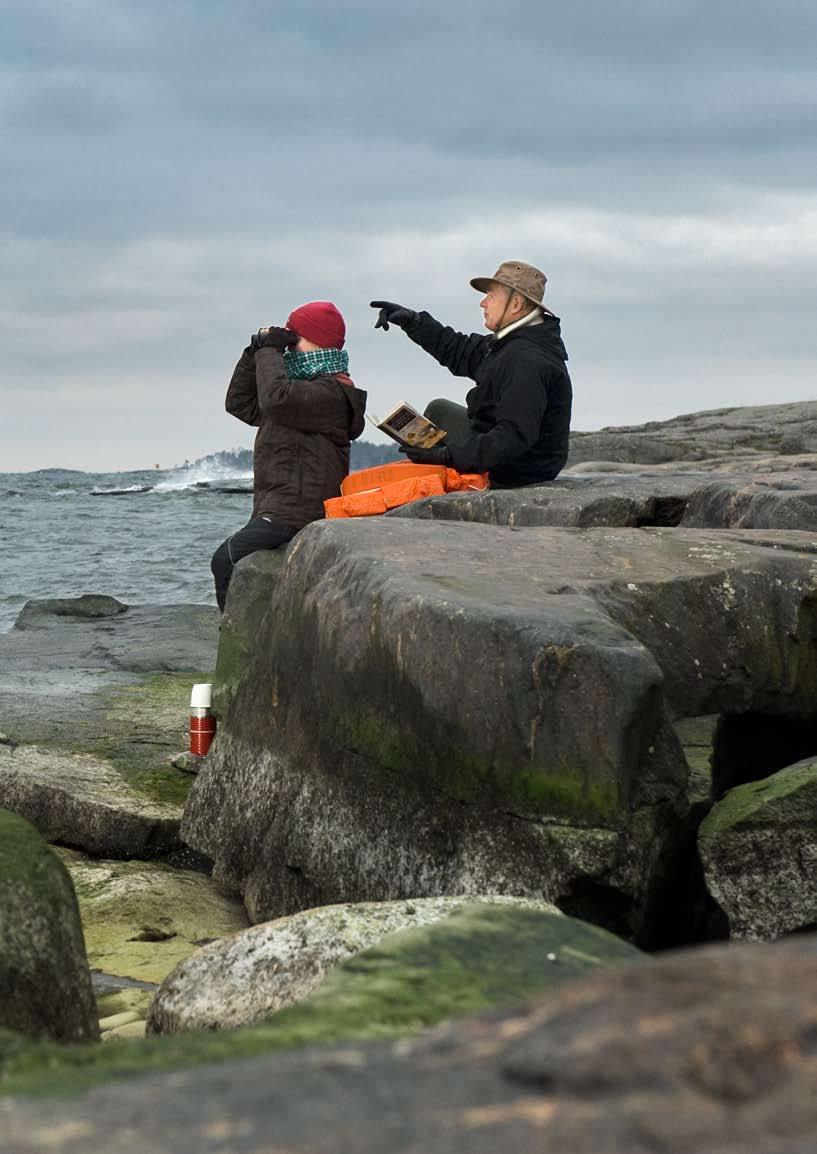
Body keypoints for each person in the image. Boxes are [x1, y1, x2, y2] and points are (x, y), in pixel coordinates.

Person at [211, 301, 367, 612]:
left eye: (293, 337)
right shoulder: (296, 389)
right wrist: (255, 351)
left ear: (316, 341)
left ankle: (236, 639)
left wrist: (270, 350)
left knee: (225, 558)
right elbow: (240, 403)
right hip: (279, 506)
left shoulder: (330, 393)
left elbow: (275, 401)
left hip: (298, 511)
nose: (288, 344)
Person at [370, 260, 572, 487]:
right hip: (512, 455)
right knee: (440, 409)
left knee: (434, 437)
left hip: (517, 470)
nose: (483, 303)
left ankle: (435, 484)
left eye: (491, 296)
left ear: (515, 304)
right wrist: (414, 322)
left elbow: (512, 438)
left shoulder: (526, 360)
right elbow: (461, 351)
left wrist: (445, 457)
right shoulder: (512, 343)